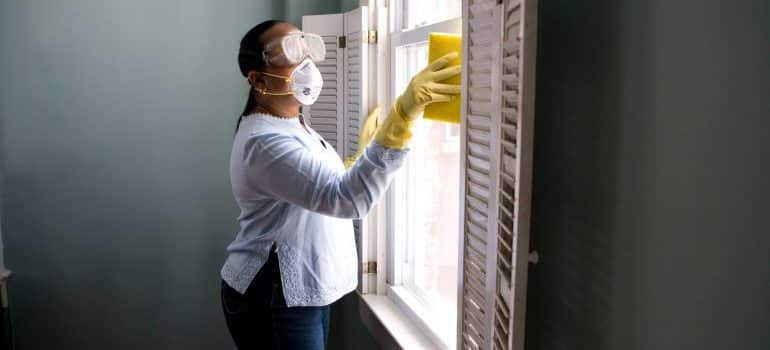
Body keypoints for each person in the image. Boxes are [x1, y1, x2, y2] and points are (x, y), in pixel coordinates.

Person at [220, 19, 461, 350]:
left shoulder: (291, 124)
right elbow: (347, 200)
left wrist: (360, 157)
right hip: (275, 294)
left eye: (305, 46)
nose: (305, 60)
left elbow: (314, 186)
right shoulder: (263, 141)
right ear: (258, 79)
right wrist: (401, 119)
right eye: (289, 51)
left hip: (299, 292)